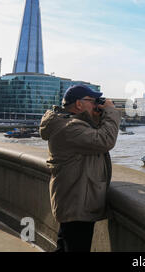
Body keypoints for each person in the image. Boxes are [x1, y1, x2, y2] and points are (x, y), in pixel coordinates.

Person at [39, 84, 121, 252]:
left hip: (73, 197)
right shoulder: (70, 127)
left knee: (65, 245)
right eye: (92, 101)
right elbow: (104, 141)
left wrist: (96, 116)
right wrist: (111, 111)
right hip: (77, 201)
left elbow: (91, 137)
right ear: (78, 104)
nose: (96, 105)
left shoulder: (67, 122)